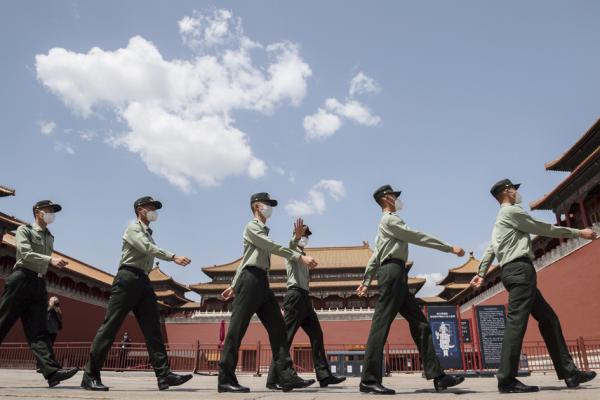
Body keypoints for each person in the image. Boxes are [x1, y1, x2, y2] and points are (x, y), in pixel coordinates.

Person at [470, 179, 598, 393]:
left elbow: (492, 248)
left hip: (513, 272)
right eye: (513, 189)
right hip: (520, 271)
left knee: (548, 319)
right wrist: (578, 233)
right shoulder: (511, 212)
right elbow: (541, 227)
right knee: (516, 323)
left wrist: (481, 273)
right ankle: (507, 379)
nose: (516, 192)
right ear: (506, 192)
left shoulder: (499, 220)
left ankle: (570, 373)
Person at [356, 185, 466, 395]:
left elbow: (375, 256)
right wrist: (448, 247)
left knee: (421, 325)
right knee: (381, 326)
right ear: (386, 198)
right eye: (395, 196)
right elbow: (416, 236)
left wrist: (367, 280)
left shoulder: (383, 226)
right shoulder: (390, 220)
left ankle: (438, 377)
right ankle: (369, 380)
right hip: (392, 273)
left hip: (396, 274)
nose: (398, 200)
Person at [81, 196, 193, 391]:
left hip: (143, 280)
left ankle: (164, 375)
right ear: (140, 210)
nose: (153, 211)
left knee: (153, 329)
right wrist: (173, 257)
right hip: (127, 278)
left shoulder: (149, 233)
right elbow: (147, 248)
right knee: (110, 327)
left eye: (154, 208)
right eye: (150, 207)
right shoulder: (133, 228)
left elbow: (149, 247)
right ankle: (90, 375)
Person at [218, 192, 318, 393]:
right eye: (267, 204)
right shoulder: (252, 227)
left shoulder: (262, 230)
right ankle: (225, 379)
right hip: (250, 282)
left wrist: (232, 284)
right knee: (236, 331)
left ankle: (287, 377)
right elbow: (268, 248)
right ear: (257, 206)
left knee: (279, 329)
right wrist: (298, 256)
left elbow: (245, 258)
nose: (270, 207)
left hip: (261, 282)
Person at [0, 200, 79, 387]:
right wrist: (50, 259)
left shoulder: (50, 237)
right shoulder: (24, 230)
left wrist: (47, 266)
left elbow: (43, 263)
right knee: (3, 322)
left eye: (54, 211)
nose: (52, 213)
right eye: (49, 210)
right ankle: (51, 371)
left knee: (38, 331)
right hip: (21, 279)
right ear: (37, 212)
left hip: (39, 282)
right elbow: (25, 254)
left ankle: (52, 372)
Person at [265, 220, 346, 390]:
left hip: (305, 298)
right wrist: (296, 237)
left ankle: (324, 375)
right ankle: (273, 379)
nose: (305, 238)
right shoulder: (292, 250)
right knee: (285, 338)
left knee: (317, 334)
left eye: (307, 236)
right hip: (294, 296)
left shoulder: (305, 255)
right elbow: (291, 244)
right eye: (304, 235)